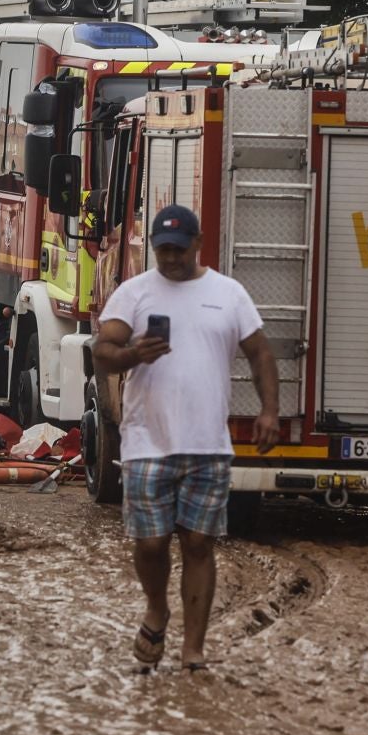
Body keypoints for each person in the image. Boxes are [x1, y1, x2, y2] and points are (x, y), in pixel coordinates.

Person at [91, 204, 280, 672]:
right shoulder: (134, 293)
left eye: (178, 249)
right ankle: (157, 608)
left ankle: (193, 649)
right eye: (162, 249)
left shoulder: (228, 293)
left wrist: (270, 411)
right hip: (146, 443)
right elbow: (101, 352)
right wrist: (134, 353)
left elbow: (259, 354)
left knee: (199, 544)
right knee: (152, 544)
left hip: (207, 445)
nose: (170, 258)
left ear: (197, 245)